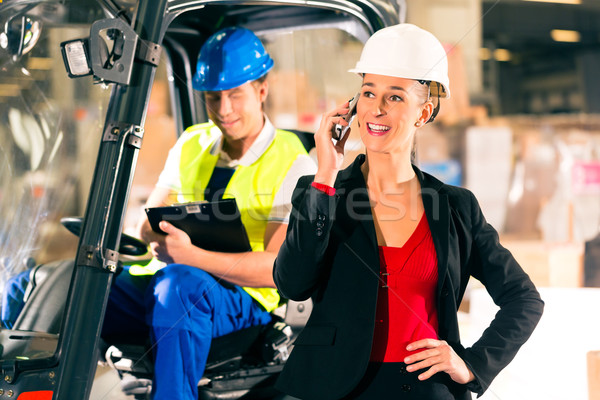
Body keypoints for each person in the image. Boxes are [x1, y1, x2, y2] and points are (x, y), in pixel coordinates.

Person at [273, 23, 544, 400]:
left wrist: (472, 365)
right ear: (353, 105)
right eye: (368, 92)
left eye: (395, 97)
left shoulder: (454, 206)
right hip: (335, 389)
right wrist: (326, 174)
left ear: (424, 112)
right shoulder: (322, 191)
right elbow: (292, 283)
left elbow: (524, 298)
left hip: (424, 391)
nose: (377, 108)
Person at [101, 26, 317, 400]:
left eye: (235, 94)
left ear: (261, 90)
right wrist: (161, 242)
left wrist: (190, 255)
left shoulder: (292, 162)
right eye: (213, 97)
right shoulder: (191, 142)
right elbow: (145, 224)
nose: (224, 109)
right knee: (76, 283)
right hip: (169, 279)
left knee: (181, 285)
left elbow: (274, 271)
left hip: (241, 298)